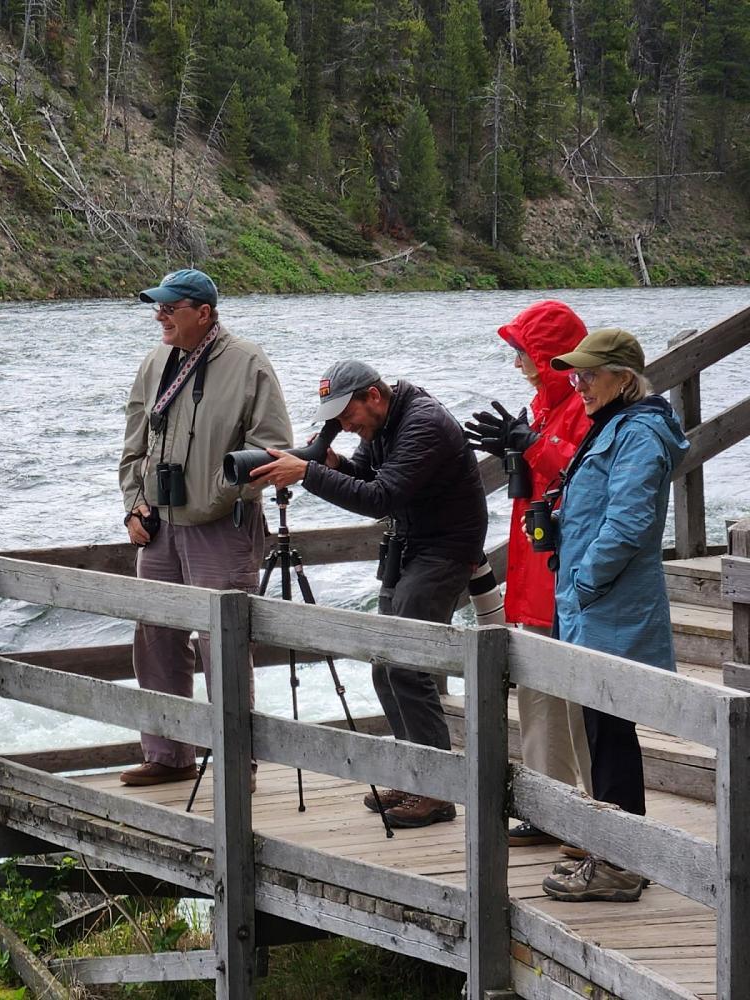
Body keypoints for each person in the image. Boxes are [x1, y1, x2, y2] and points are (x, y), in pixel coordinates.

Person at [251, 360, 487, 827]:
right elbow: (366, 474)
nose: (344, 425)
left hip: (444, 551)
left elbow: (379, 497)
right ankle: (416, 776)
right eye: (336, 420)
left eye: (347, 415)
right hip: (410, 546)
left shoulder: (424, 424)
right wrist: (330, 461)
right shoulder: (385, 421)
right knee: (384, 665)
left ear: (374, 396)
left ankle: (438, 791)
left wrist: (308, 474)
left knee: (408, 664)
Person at [118, 268, 292, 786]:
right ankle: (168, 755)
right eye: (159, 307)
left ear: (205, 313)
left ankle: (237, 764)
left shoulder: (248, 363)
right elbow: (132, 443)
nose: (160, 316)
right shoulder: (154, 362)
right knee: (155, 637)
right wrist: (134, 504)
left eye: (171, 308)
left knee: (225, 645)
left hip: (223, 526)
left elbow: (271, 449)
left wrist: (216, 496)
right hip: (159, 527)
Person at [538, 328, 688, 903]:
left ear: (623, 379)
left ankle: (622, 864)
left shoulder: (641, 434)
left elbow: (627, 525)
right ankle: (612, 854)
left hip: (609, 605)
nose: (579, 387)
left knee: (611, 731)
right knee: (600, 729)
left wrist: (580, 583)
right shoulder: (618, 426)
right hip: (593, 606)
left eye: (589, 375)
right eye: (574, 376)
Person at [463, 301, 595, 849]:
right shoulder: (542, 406)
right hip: (535, 569)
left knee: (582, 701)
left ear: (549, 356)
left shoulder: (585, 408)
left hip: (567, 573)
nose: (516, 361)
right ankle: (547, 807)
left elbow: (581, 470)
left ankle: (597, 810)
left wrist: (530, 445)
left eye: (523, 351)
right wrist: (514, 446)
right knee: (537, 695)